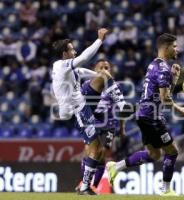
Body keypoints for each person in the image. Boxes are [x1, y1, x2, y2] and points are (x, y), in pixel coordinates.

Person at [106, 33, 184, 196]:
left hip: (144, 115)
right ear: (166, 47)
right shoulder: (163, 68)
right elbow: (165, 99)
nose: (177, 49)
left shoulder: (154, 65)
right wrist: (181, 110)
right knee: (172, 152)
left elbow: (162, 95)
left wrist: (175, 77)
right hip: (152, 117)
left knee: (154, 154)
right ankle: (165, 190)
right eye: (174, 46)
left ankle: (116, 166)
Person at [51, 28, 128, 195]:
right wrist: (99, 40)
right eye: (72, 49)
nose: (75, 51)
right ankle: (85, 186)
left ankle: (85, 186)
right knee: (94, 149)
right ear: (65, 53)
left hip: (82, 105)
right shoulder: (62, 65)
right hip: (78, 110)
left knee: (98, 150)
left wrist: (101, 75)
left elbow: (82, 72)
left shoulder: (65, 68)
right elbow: (84, 58)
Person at [76, 60, 127, 194]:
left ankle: (93, 186)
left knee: (101, 155)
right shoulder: (87, 86)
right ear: (94, 70)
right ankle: (84, 183)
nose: (104, 69)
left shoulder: (114, 87)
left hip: (108, 125)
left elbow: (121, 110)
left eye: (107, 67)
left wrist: (122, 127)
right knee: (89, 152)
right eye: (101, 67)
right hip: (92, 123)